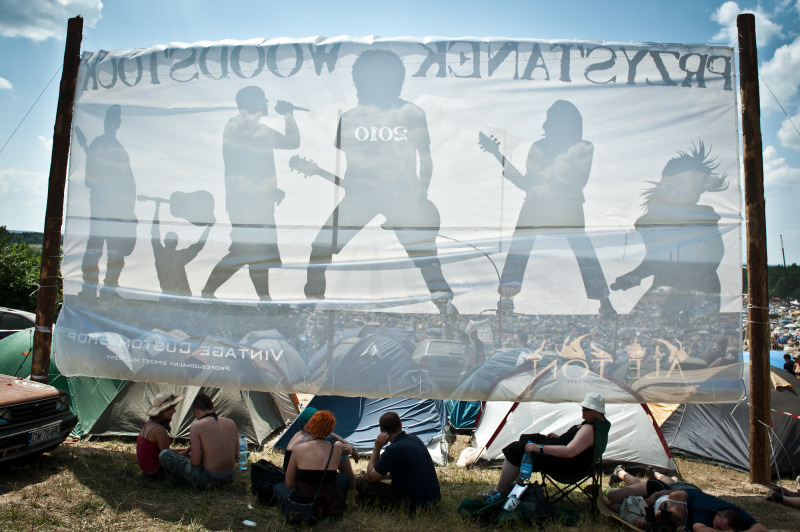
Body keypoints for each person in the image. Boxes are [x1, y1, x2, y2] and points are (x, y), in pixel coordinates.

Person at [303, 49, 457, 315]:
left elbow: (426, 159)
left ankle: (445, 306)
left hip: (401, 197)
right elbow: (422, 161)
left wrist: (419, 198)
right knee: (320, 249)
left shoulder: (410, 113)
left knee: (425, 259)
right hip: (374, 197)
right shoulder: (350, 118)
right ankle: (312, 306)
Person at [479, 100, 614, 315]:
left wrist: (497, 155)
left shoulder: (545, 148)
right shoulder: (582, 147)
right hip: (565, 209)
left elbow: (529, 183)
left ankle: (506, 299)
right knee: (584, 252)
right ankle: (604, 301)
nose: (544, 126)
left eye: (549, 121)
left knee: (521, 246)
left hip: (540, 208)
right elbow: (573, 181)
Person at [202, 86, 300, 300]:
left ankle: (264, 298)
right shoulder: (251, 130)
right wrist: (288, 115)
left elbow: (252, 168)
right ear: (252, 104)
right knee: (244, 251)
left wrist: (270, 191)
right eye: (262, 101)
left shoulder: (237, 127)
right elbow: (292, 142)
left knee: (256, 253)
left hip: (250, 203)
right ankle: (209, 291)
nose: (266, 105)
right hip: (249, 206)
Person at [477, 392, 610, 501]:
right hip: (570, 459)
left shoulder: (589, 429)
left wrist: (539, 448)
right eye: (583, 407)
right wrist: (559, 438)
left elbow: (569, 452)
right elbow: (578, 444)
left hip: (566, 465)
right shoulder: (599, 424)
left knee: (516, 449)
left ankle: (498, 490)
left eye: (587, 409)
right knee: (527, 438)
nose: (583, 410)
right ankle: (516, 485)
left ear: (598, 411)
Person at [74, 104, 138, 298]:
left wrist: (127, 208)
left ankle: (109, 287)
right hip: (101, 210)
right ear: (108, 122)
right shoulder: (98, 146)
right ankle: (89, 288)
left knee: (115, 252)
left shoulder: (118, 150)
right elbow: (88, 181)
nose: (113, 124)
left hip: (117, 212)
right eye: (111, 119)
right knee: (95, 250)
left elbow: (129, 183)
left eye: (115, 120)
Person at [606, 467, 767, 531]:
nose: (715, 529)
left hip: (683, 493)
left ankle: (658, 473)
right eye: (717, 527)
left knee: (669, 483)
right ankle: (621, 472)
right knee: (613, 496)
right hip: (672, 492)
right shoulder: (703, 515)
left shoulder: (733, 512)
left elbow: (761, 529)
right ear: (717, 515)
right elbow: (700, 529)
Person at [357, 411, 441, 512]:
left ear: (382, 431)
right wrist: (381, 476)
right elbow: (406, 473)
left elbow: (370, 477)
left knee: (362, 482)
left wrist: (377, 448)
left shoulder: (393, 450)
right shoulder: (415, 439)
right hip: (433, 500)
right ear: (401, 424)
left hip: (414, 504)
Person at [275, 410, 348, 520]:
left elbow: (289, 484)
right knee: (344, 478)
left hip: (304, 501)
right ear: (331, 430)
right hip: (328, 502)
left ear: (310, 427)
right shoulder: (336, 450)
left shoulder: (298, 449)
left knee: (277, 487)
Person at [158, 393, 238, 488]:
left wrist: (190, 456)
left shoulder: (197, 426)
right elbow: (236, 455)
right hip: (229, 477)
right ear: (213, 407)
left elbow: (195, 462)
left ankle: (170, 478)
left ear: (196, 411)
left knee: (164, 454)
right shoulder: (231, 423)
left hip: (209, 480)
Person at [282, 406, 360, 489]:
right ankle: (352, 483)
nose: (318, 423)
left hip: (299, 477)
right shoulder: (307, 439)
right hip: (302, 480)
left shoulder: (301, 433)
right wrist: (350, 448)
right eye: (315, 421)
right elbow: (346, 450)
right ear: (305, 424)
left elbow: (329, 434)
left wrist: (350, 446)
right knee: (340, 454)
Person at [150, 199, 212, 297]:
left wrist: (157, 208)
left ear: (165, 240)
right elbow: (199, 245)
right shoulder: (178, 257)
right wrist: (209, 228)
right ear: (176, 243)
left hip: (172, 296)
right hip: (180, 296)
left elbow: (154, 233)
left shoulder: (160, 254)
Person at [136, 392, 187, 479]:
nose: (174, 411)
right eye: (172, 408)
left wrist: (186, 449)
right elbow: (168, 457)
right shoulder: (159, 430)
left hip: (148, 470)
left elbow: (166, 451)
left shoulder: (149, 424)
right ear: (164, 410)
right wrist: (187, 453)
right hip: (156, 472)